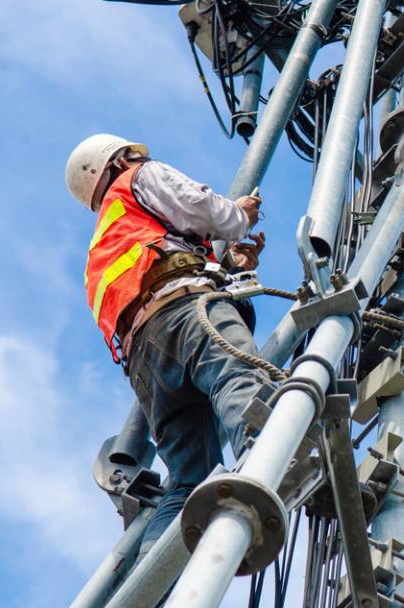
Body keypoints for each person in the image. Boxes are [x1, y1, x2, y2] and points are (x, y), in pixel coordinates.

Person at [65, 133, 274, 558]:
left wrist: (229, 264)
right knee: (240, 378)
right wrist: (239, 215)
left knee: (187, 480)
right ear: (119, 159)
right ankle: (269, 461)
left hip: (146, 360)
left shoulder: (104, 244)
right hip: (185, 315)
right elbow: (198, 206)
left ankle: (146, 592)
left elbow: (158, 262)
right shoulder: (137, 179)